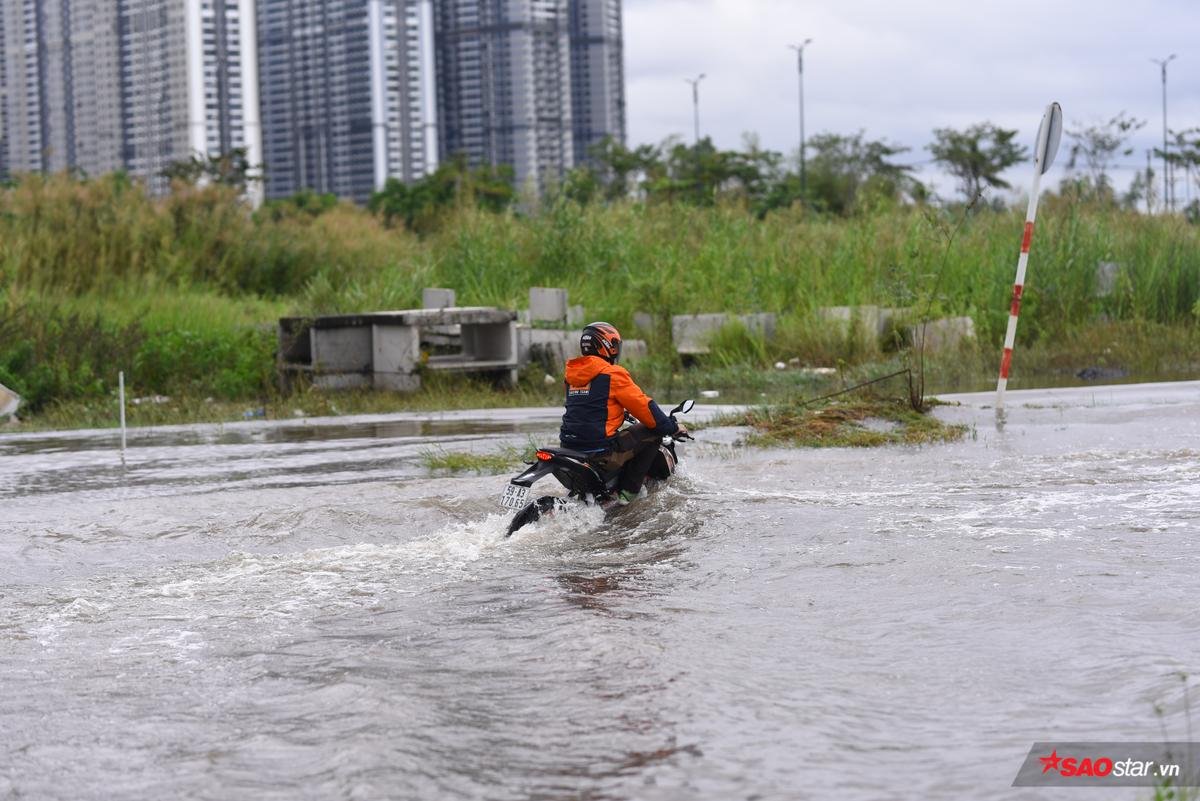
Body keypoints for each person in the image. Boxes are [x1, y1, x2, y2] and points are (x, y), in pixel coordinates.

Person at [559, 322, 687, 505]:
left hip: (569, 447)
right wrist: (672, 426)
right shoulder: (613, 374)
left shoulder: (571, 374)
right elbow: (646, 409)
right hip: (599, 451)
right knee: (654, 432)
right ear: (607, 346)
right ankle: (627, 496)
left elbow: (588, 407)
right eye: (615, 346)